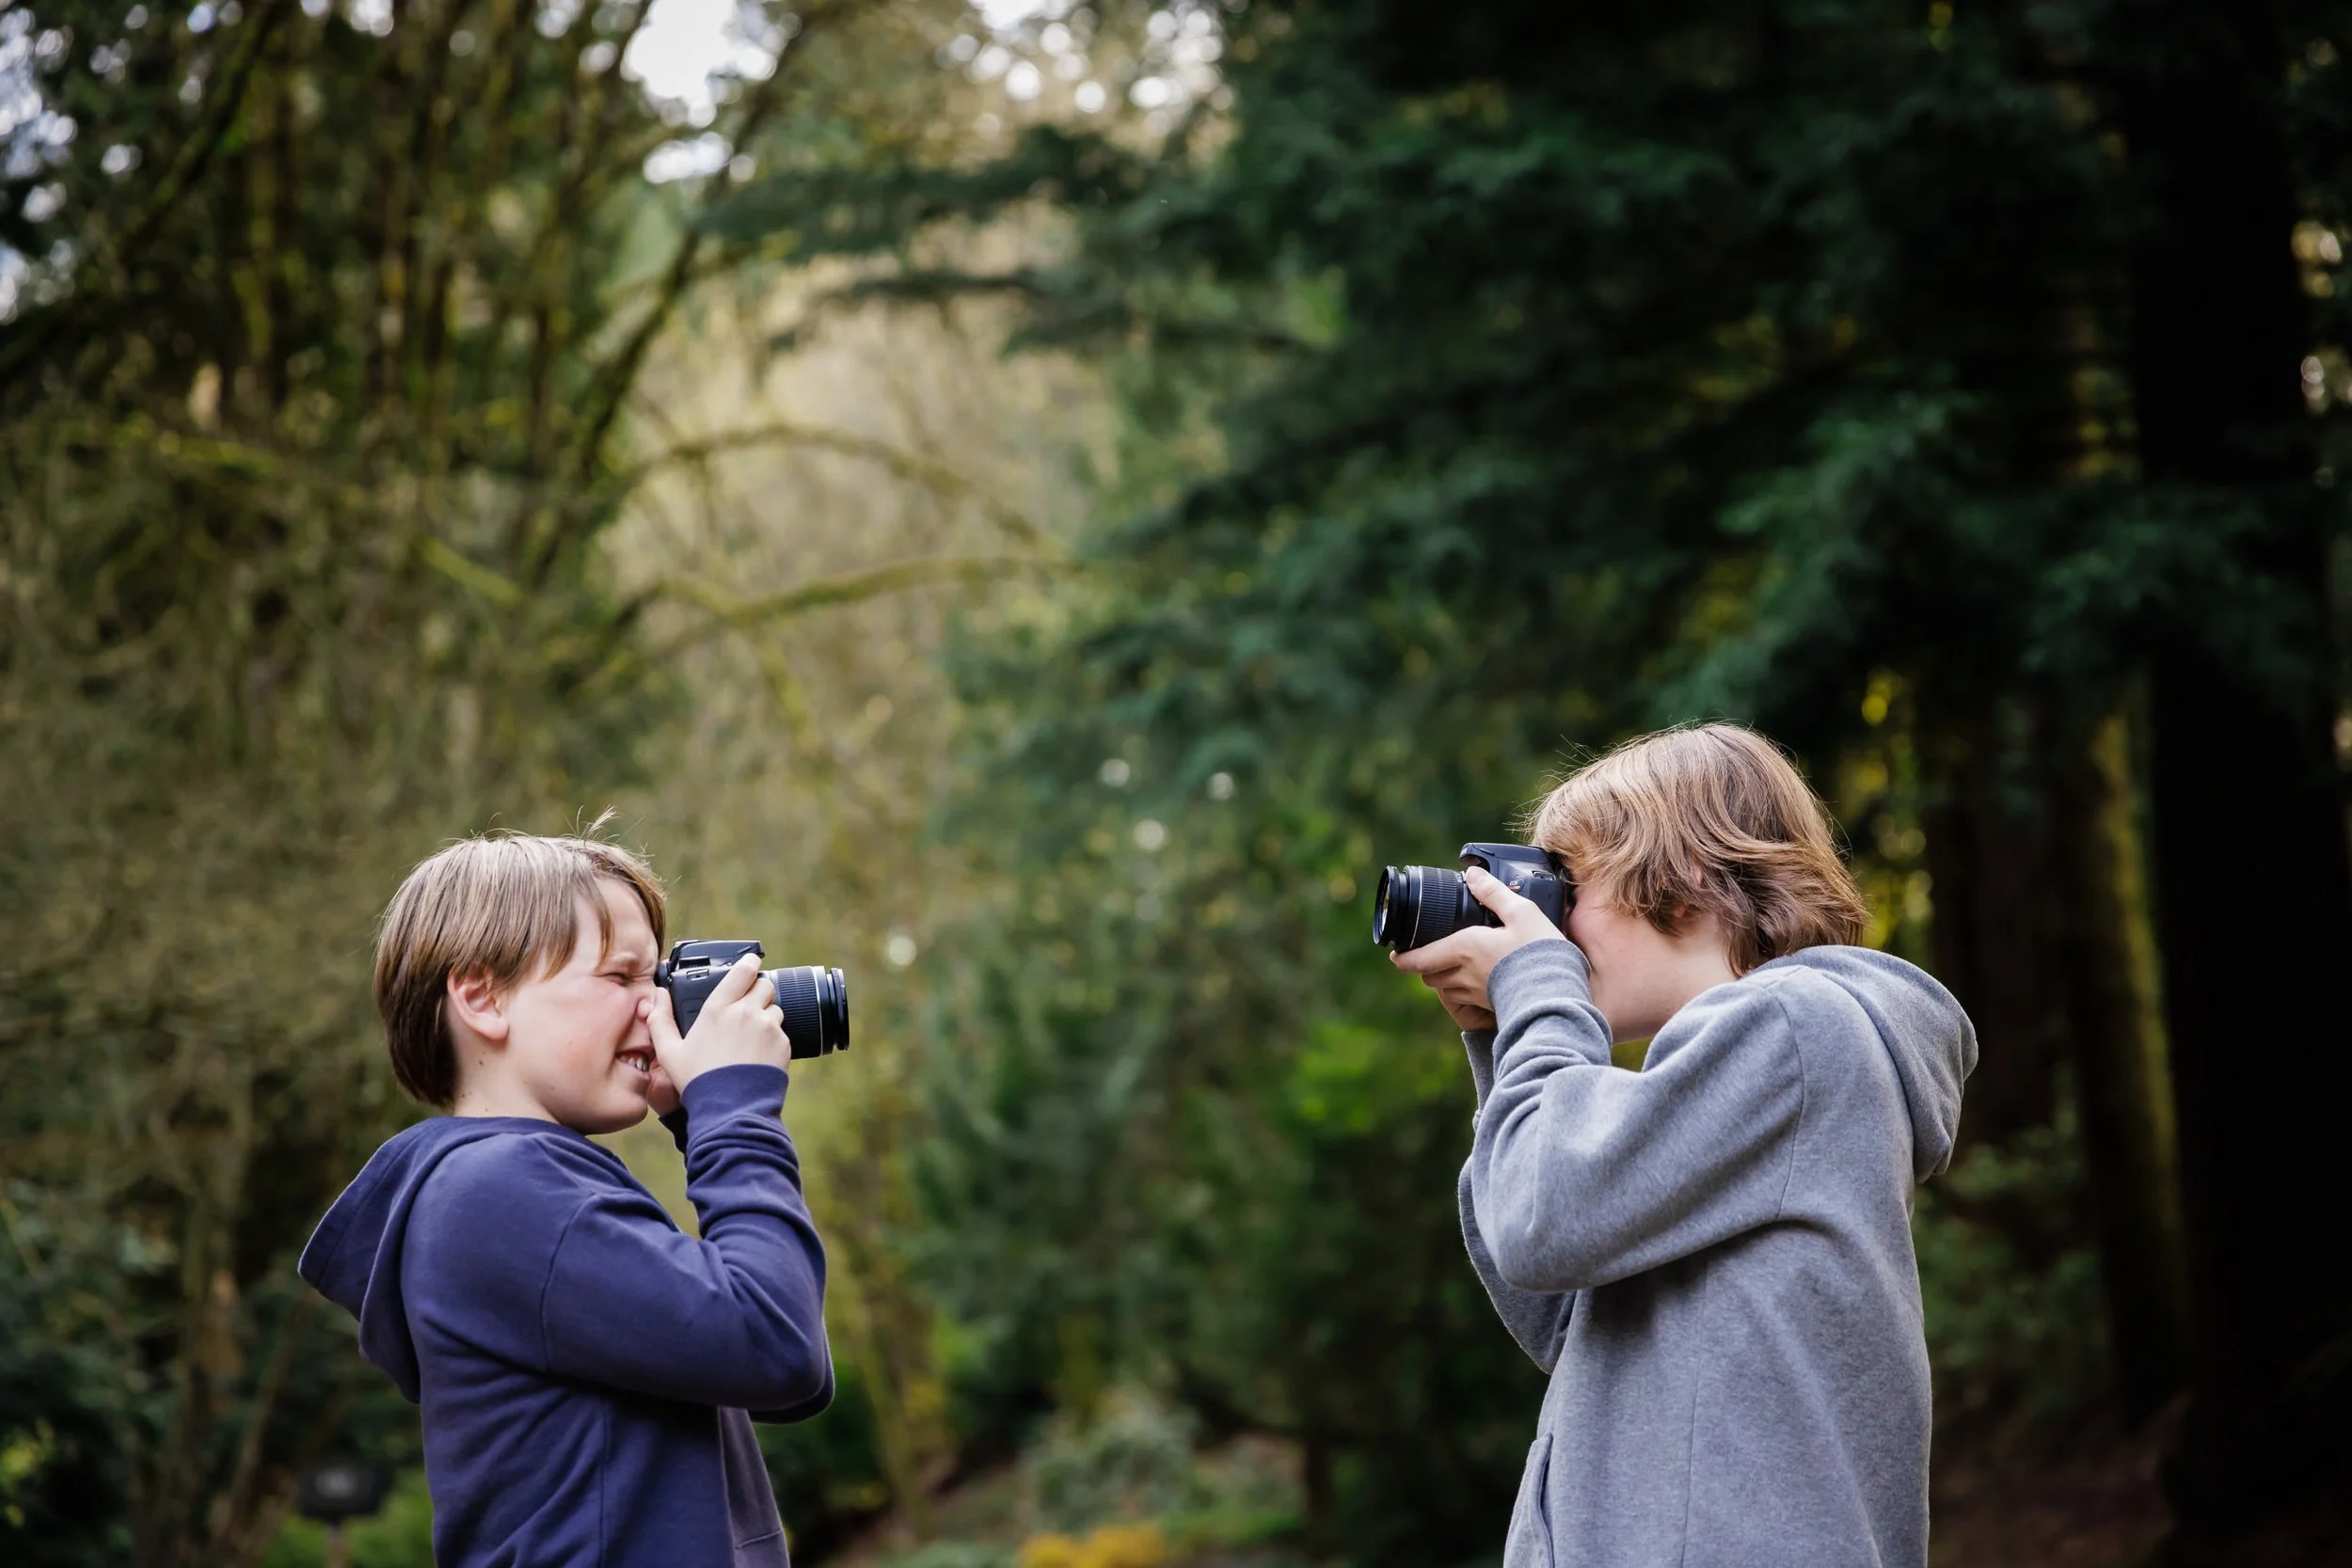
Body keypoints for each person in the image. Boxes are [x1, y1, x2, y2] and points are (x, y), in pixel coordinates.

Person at [1393, 723, 1976, 1568]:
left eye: (1570, 883)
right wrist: (1505, 1032)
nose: (1554, 921)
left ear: (1688, 876)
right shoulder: (1737, 1075)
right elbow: (1561, 1307)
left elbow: (1541, 1220)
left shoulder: (1796, 1029)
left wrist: (1539, 995)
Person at [298, 830, 832, 1568]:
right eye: (621, 976)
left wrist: (698, 1118)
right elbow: (777, 1343)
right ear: (482, 997)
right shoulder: (500, 1194)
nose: (659, 1007)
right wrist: (734, 1107)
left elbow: (786, 1377)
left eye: (659, 976)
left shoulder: (520, 1189)